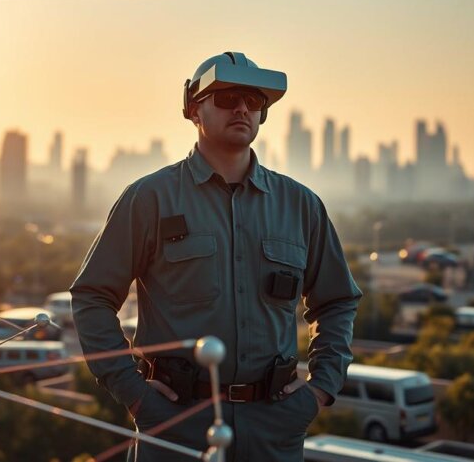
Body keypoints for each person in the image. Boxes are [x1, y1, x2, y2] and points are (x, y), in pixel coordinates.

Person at [71, 52, 363, 462]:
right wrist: (135, 394)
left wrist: (319, 390)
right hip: (174, 423)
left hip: (274, 426)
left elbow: (337, 301)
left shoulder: (300, 205)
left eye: (254, 100)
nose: (242, 107)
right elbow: (92, 296)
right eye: (226, 98)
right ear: (194, 109)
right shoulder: (150, 199)